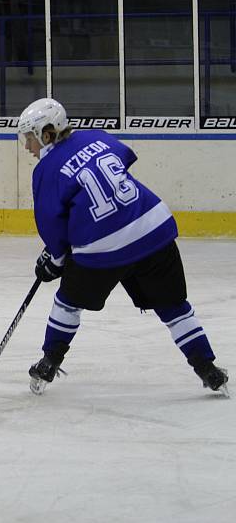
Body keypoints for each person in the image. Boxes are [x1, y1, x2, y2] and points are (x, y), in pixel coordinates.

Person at [18, 97, 229, 397]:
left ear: (47, 133)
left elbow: (53, 226)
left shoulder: (46, 171)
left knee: (67, 301)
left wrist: (54, 260)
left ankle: (49, 361)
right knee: (174, 307)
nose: (27, 147)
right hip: (153, 227)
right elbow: (124, 159)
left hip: (104, 246)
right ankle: (208, 369)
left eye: (30, 138)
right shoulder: (97, 136)